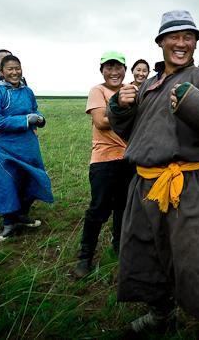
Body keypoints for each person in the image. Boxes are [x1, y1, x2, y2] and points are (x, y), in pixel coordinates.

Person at [108, 10, 199, 338]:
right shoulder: (149, 84)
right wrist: (120, 109)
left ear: (195, 43)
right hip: (144, 187)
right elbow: (134, 134)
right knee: (147, 255)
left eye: (189, 37)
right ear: (161, 42)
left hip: (187, 186)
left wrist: (194, 103)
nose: (182, 43)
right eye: (174, 37)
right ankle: (160, 314)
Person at [72, 51, 134, 279]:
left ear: (124, 70)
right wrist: (127, 116)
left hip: (129, 158)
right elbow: (100, 121)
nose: (114, 72)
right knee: (98, 209)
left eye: (118, 67)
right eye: (108, 67)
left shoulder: (130, 90)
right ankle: (85, 257)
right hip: (105, 159)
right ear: (102, 70)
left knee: (124, 207)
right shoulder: (98, 91)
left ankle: (119, 247)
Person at [0, 55, 53, 243]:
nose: (14, 72)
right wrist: (24, 120)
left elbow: (34, 109)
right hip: (5, 146)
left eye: (17, 68)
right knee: (7, 182)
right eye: (10, 69)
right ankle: (8, 223)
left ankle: (22, 214)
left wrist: (40, 118)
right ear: (2, 72)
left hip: (28, 144)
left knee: (32, 178)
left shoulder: (27, 91)